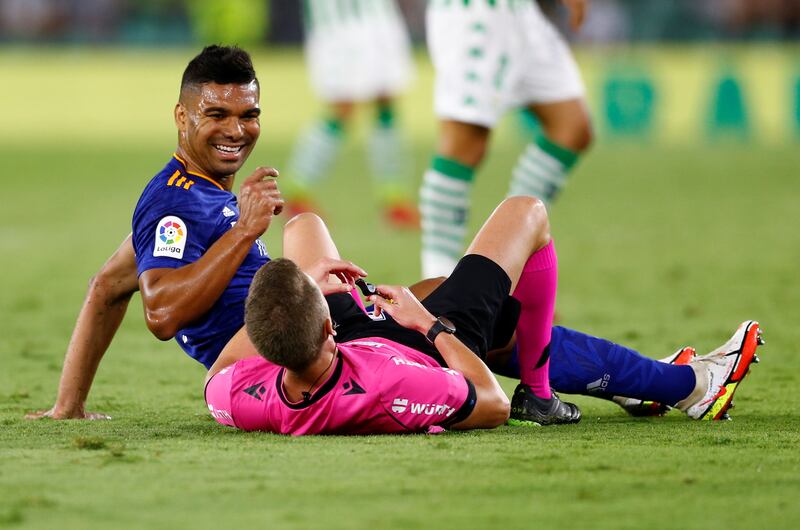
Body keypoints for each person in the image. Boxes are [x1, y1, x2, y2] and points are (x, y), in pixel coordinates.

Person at [26, 44, 760, 424]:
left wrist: (69, 406)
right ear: (181, 117)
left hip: (319, 320)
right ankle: (677, 384)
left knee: (466, 307)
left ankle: (654, 384)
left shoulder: (183, 197)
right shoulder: (179, 206)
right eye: (216, 115)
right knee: (508, 262)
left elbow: (106, 287)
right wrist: (248, 234)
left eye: (247, 114)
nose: (236, 130)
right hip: (306, 346)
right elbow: (160, 313)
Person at [204, 198, 762, 434]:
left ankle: (661, 385)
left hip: (339, 345)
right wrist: (427, 324)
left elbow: (220, 371)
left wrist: (309, 287)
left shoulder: (239, 396)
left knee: (303, 225)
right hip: (414, 347)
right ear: (325, 322)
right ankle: (551, 394)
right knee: (527, 214)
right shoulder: (393, 382)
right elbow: (489, 402)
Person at [420, 0, 594, 277]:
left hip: (520, 14)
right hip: (476, 14)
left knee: (573, 128)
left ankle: (509, 265)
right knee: (465, 146)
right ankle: (437, 283)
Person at [283, 0, 419, 228]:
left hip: (378, 16)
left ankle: (394, 199)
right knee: (342, 108)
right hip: (337, 22)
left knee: (386, 101)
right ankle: (297, 191)